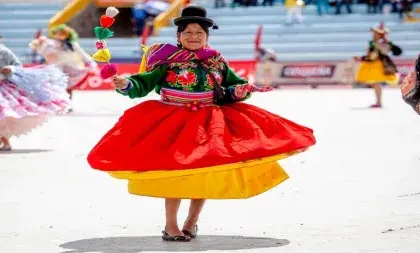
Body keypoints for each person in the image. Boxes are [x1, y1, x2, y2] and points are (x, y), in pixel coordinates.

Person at [87, 6, 316, 242]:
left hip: (208, 121)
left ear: (207, 36)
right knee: (174, 174)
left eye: (199, 32)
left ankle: (191, 222)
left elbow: (230, 87)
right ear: (178, 36)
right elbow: (144, 83)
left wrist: (240, 89)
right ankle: (170, 225)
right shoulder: (167, 60)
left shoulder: (216, 60)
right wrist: (126, 83)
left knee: (205, 171)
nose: (193, 36)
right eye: (188, 32)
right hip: (172, 120)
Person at [354, 22, 402, 108]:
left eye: (375, 33)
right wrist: (362, 58)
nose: (373, 34)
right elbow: (370, 55)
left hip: (377, 65)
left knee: (376, 83)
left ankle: (379, 102)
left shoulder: (381, 43)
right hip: (372, 64)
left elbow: (381, 53)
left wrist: (363, 58)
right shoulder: (374, 42)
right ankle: (378, 101)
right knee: (374, 83)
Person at [46, 24, 97, 104]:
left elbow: (82, 53)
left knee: (69, 87)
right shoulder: (52, 44)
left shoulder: (72, 44)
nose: (60, 35)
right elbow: (48, 54)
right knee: (58, 87)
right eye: (58, 33)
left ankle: (68, 104)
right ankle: (60, 103)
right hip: (59, 68)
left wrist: (90, 61)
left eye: (63, 34)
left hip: (71, 68)